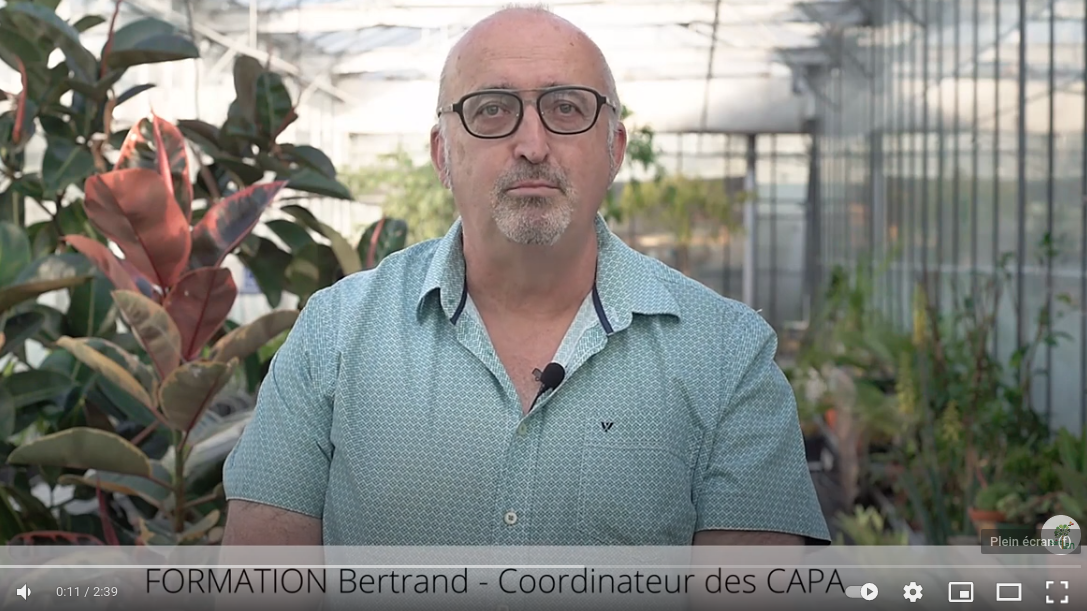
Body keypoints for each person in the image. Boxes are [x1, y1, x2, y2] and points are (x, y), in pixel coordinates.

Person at [221, 4, 830, 547]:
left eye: (567, 108)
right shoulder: (335, 334)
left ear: (615, 150)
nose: (533, 144)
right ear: (442, 154)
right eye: (492, 110)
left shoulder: (725, 355)